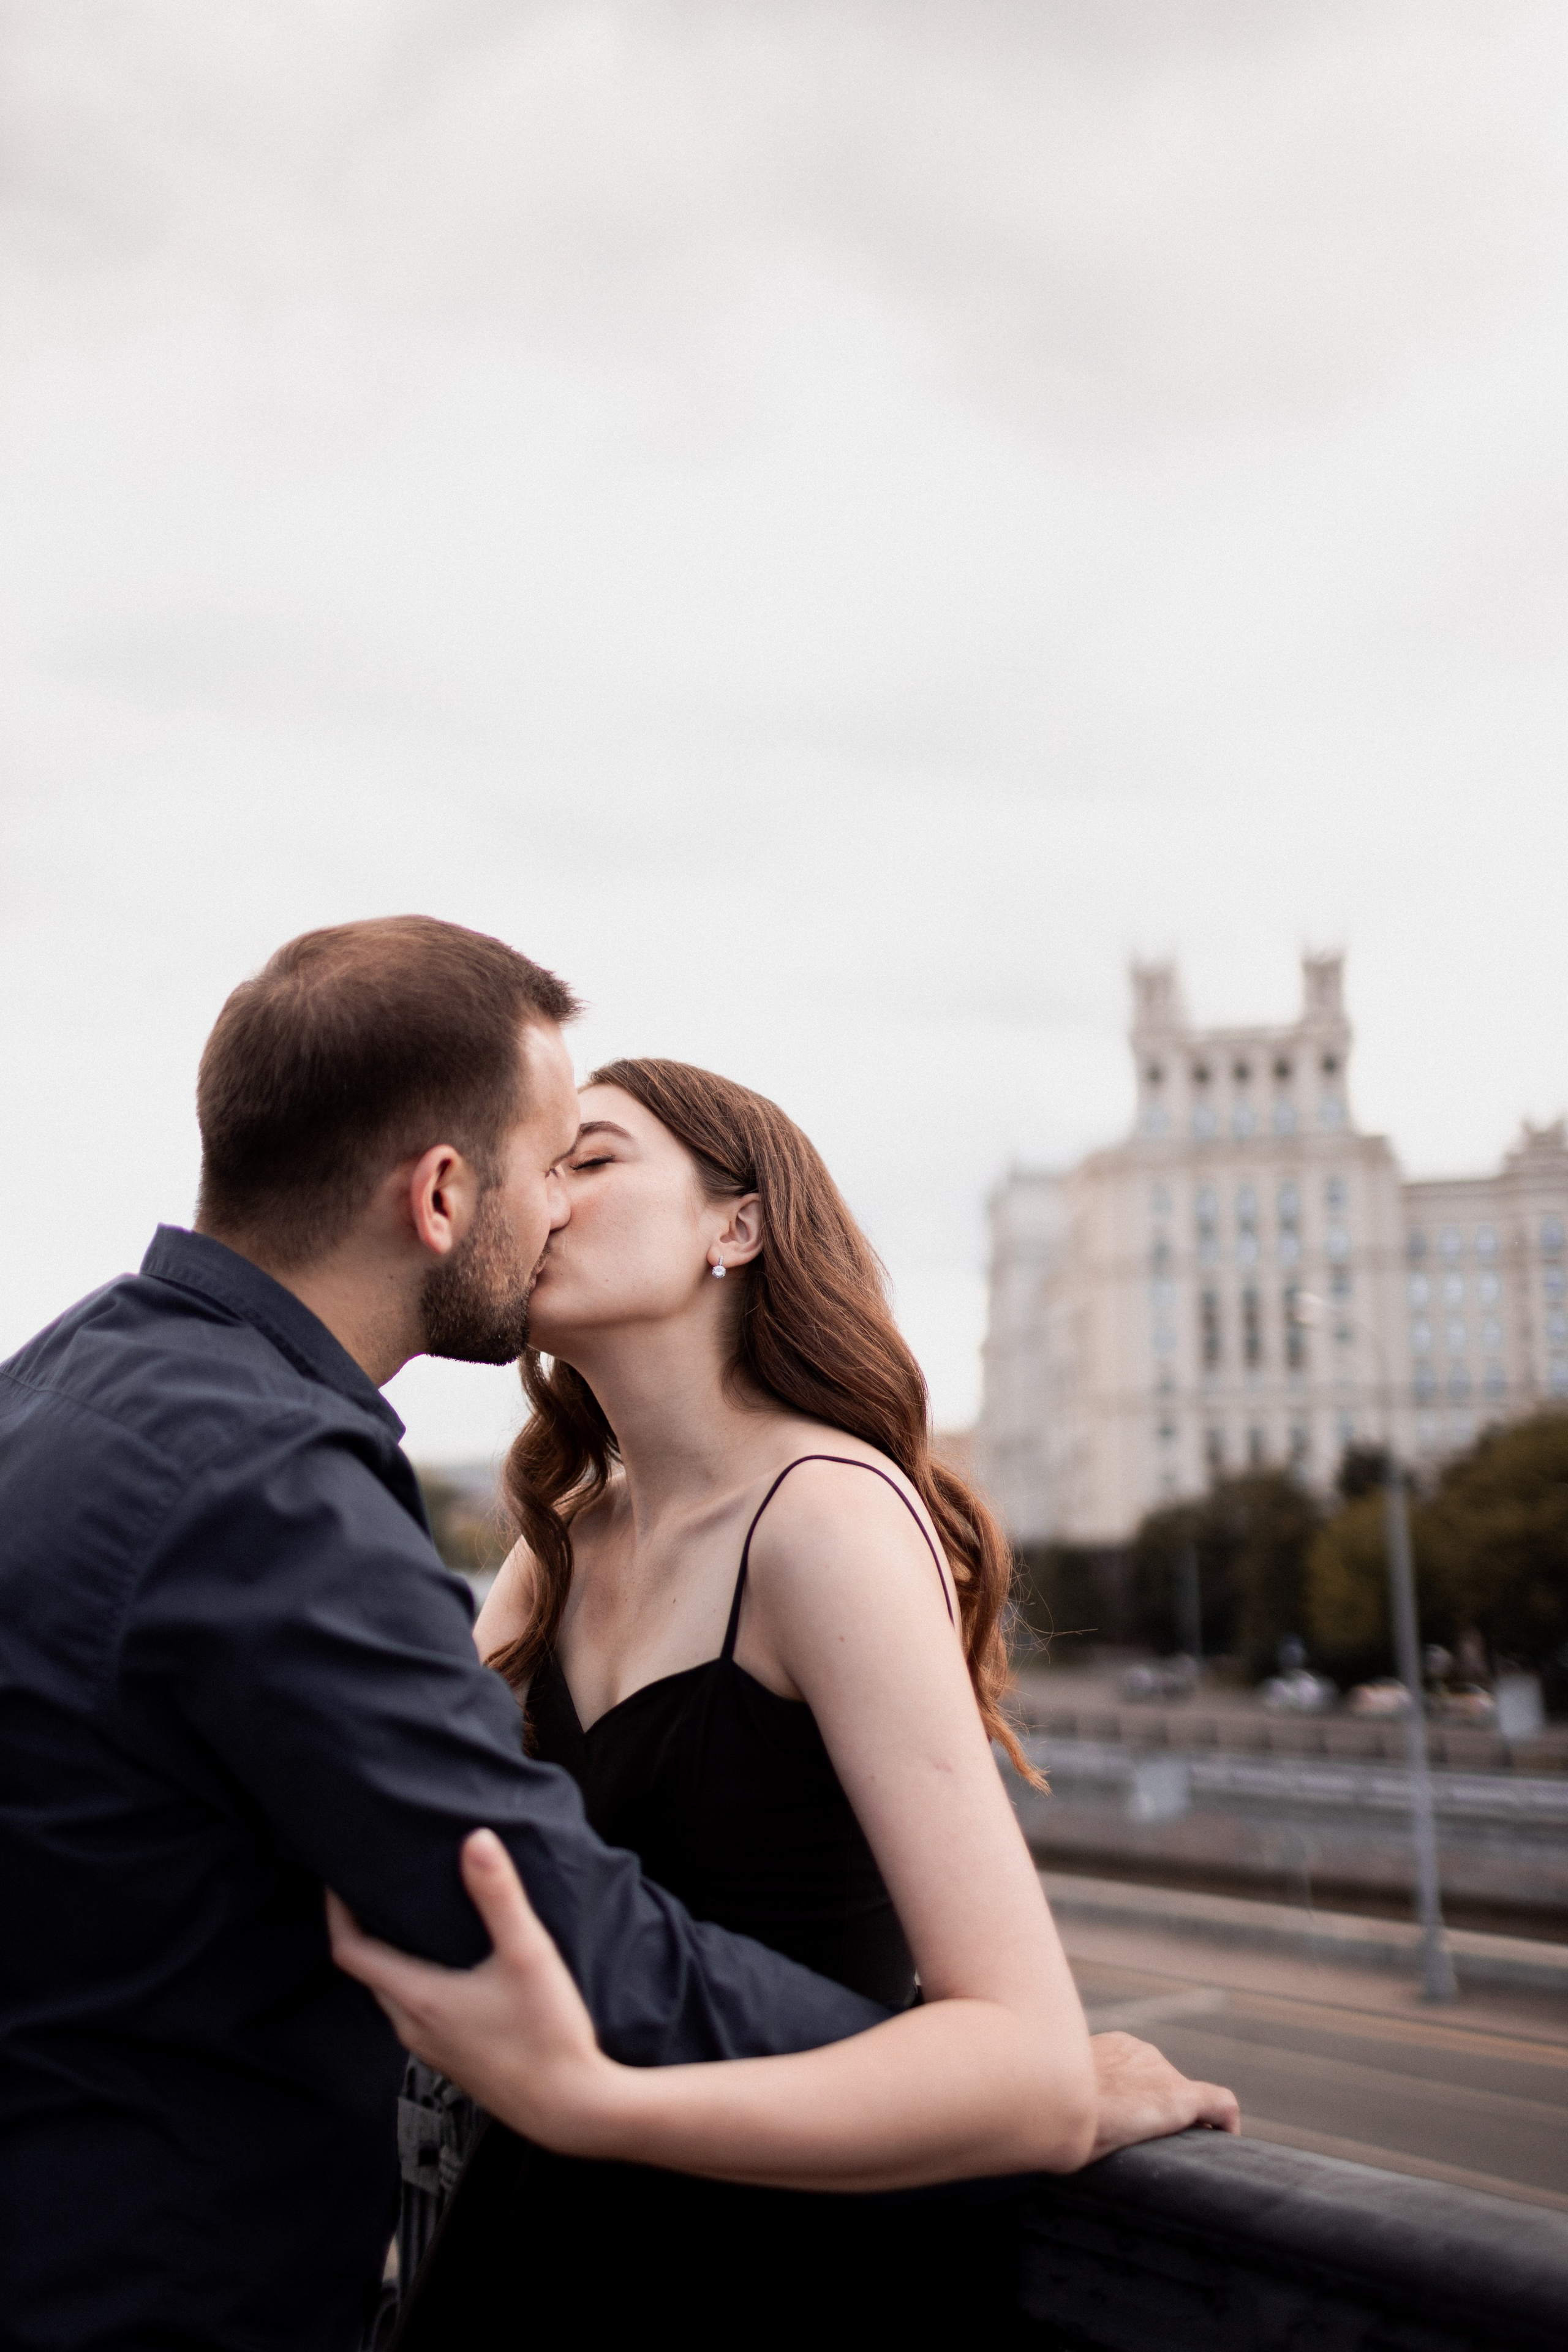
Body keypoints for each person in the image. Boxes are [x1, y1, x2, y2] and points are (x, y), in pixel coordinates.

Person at [0, 921, 906, 2352]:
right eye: (552, 1165)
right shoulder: (267, 1488)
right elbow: (540, 1910)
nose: (558, 1212)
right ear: (438, 1197)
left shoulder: (57, 1382)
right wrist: (968, 2085)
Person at [329, 1058, 1238, 2337]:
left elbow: (1027, 2065)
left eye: (590, 1160)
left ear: (737, 1225)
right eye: (534, 1169)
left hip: (755, 2280)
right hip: (527, 2259)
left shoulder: (824, 1520)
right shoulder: (561, 1543)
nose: (540, 1198)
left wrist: (595, 2104)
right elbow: (424, 1852)